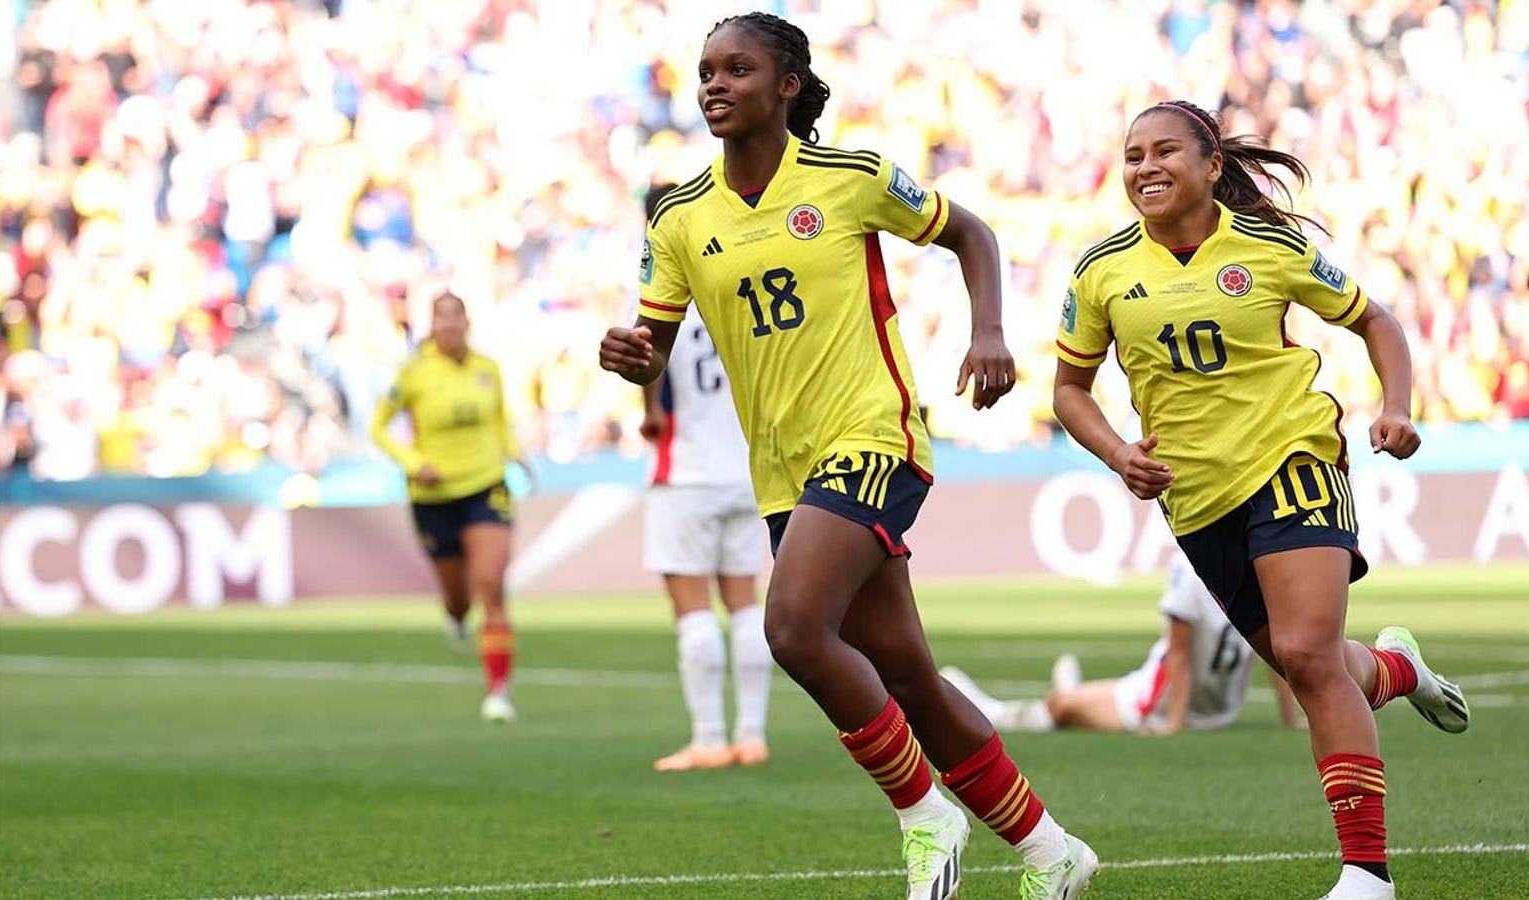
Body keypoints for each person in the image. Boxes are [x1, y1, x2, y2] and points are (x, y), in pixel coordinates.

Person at [599, 14, 1096, 899]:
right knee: (907, 675)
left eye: (737, 69)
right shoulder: (679, 218)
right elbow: (657, 343)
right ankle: (1052, 850)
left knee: (790, 627)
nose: (713, 84)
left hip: (874, 436)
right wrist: (636, 355)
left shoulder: (850, 176)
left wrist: (989, 333)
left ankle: (923, 814)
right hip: (784, 471)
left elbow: (972, 234)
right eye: (706, 70)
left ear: (786, 85)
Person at [1050, 100, 1470, 900]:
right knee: (1309, 662)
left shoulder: (1270, 246)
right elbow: (1069, 388)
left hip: (1293, 457)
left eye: (1165, 151)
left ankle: (1366, 874)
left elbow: (1376, 320)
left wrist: (1397, 405)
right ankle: (1399, 669)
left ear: (1211, 166)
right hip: (1195, 497)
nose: (1145, 167)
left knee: (1309, 658)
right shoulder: (1101, 269)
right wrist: (1115, 453)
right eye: (1133, 154)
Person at [639, 181, 775, 772]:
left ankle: (709, 738)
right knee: (745, 604)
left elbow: (648, 361)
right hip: (747, 469)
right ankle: (752, 734)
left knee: (693, 608)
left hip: (687, 474)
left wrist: (649, 414)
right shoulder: (735, 284)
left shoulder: (662, 291)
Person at [372, 291, 525, 723]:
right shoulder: (413, 374)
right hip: (434, 495)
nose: (451, 324)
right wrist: (413, 462)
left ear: (467, 321)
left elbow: (498, 420)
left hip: (485, 484)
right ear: (432, 325)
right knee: (459, 598)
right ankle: (456, 615)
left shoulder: (487, 369)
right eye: (442, 317)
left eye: (457, 315)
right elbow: (379, 427)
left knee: (491, 584)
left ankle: (498, 691)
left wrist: (515, 453)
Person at [942, 554, 1303, 735]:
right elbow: (1274, 646)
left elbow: (1178, 655)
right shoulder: (1261, 563)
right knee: (1071, 703)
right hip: (1218, 708)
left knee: (1061, 706)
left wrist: (1173, 727)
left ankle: (997, 713)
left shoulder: (1189, 563)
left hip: (1158, 701)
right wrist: (1292, 719)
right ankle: (1071, 692)